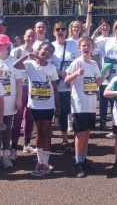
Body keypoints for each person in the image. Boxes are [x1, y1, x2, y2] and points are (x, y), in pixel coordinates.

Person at [64, 36, 108, 177]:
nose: (86, 48)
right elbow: (66, 80)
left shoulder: (94, 64)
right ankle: (77, 163)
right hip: (79, 104)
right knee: (80, 133)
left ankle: (83, 159)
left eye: (89, 45)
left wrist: (105, 76)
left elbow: (96, 83)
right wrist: (76, 74)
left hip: (90, 104)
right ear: (79, 48)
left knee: (87, 132)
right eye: (84, 45)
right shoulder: (77, 63)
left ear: (92, 47)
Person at [14, 42, 59, 177]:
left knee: (47, 131)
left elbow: (55, 86)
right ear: (38, 50)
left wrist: (58, 105)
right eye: (45, 50)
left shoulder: (51, 67)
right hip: (34, 105)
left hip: (48, 105)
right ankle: (40, 162)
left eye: (50, 52)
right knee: (39, 132)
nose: (47, 53)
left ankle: (46, 162)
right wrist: (28, 55)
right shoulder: (30, 64)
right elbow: (16, 65)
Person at [0, 34, 23, 171]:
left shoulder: (14, 61)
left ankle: (6, 156)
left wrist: (19, 98)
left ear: (7, 46)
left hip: (9, 101)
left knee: (7, 129)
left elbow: (19, 82)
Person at [51, 22, 80, 152]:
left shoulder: (73, 44)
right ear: (54, 32)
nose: (61, 31)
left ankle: (77, 140)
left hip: (74, 85)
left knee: (76, 113)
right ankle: (64, 139)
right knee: (63, 113)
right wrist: (61, 73)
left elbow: (80, 62)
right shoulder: (51, 47)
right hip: (61, 86)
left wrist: (72, 74)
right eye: (58, 29)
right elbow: (49, 65)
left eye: (63, 29)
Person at [9, 29, 37, 155]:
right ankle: (14, 144)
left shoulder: (37, 52)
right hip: (19, 87)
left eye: (33, 36)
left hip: (32, 87)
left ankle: (27, 143)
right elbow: (12, 67)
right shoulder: (17, 51)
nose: (31, 38)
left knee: (30, 116)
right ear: (24, 37)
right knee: (18, 116)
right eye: (29, 36)